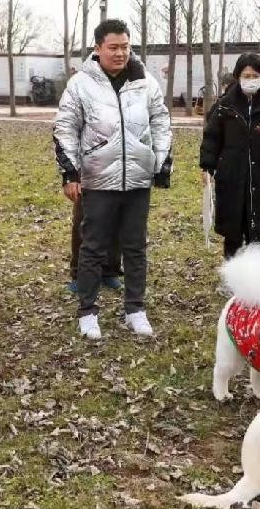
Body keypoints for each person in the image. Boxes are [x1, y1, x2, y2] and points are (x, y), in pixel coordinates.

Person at [53, 18, 172, 340]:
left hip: (136, 181)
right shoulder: (81, 84)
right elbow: (65, 127)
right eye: (113, 47)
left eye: (125, 47)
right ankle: (88, 311)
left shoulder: (145, 81)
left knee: (135, 247)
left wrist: (160, 160)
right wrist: (70, 172)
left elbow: (160, 120)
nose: (120, 53)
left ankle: (135, 308)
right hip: (97, 181)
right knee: (92, 247)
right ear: (98, 48)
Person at [200, 53, 260, 259]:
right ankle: (232, 276)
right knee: (232, 232)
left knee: (257, 233)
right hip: (231, 175)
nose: (250, 79)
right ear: (238, 76)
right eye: (246, 75)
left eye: (255, 75)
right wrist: (207, 166)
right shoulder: (225, 104)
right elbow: (212, 137)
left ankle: (256, 278)